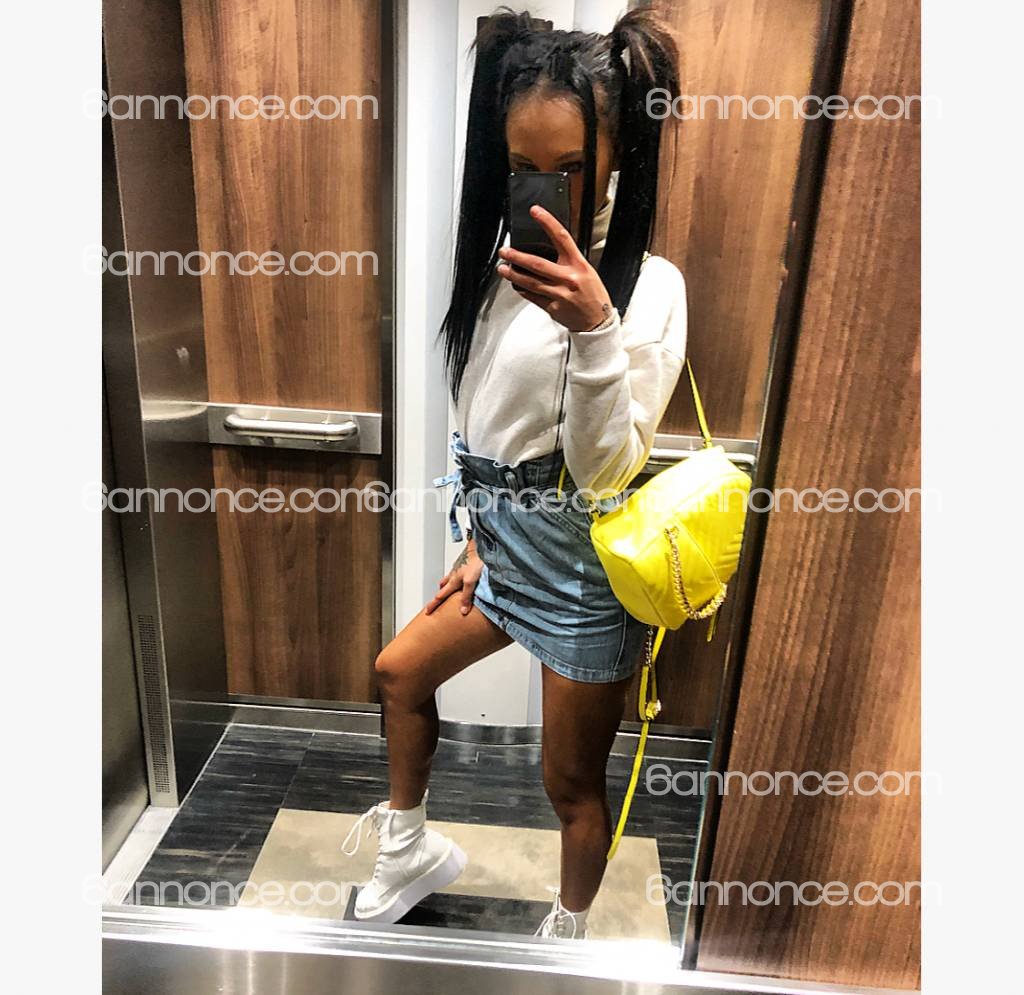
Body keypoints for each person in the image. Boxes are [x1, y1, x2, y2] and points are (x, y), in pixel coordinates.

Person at [342, 5, 686, 940]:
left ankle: (566, 933)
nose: (543, 190)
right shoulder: (498, 265)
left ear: (619, 154)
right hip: (501, 548)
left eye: (570, 167)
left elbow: (606, 472)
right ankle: (410, 849)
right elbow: (484, 424)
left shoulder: (649, 289)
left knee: (567, 782)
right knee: (398, 675)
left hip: (580, 567)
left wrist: (596, 329)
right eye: (522, 164)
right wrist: (474, 540)